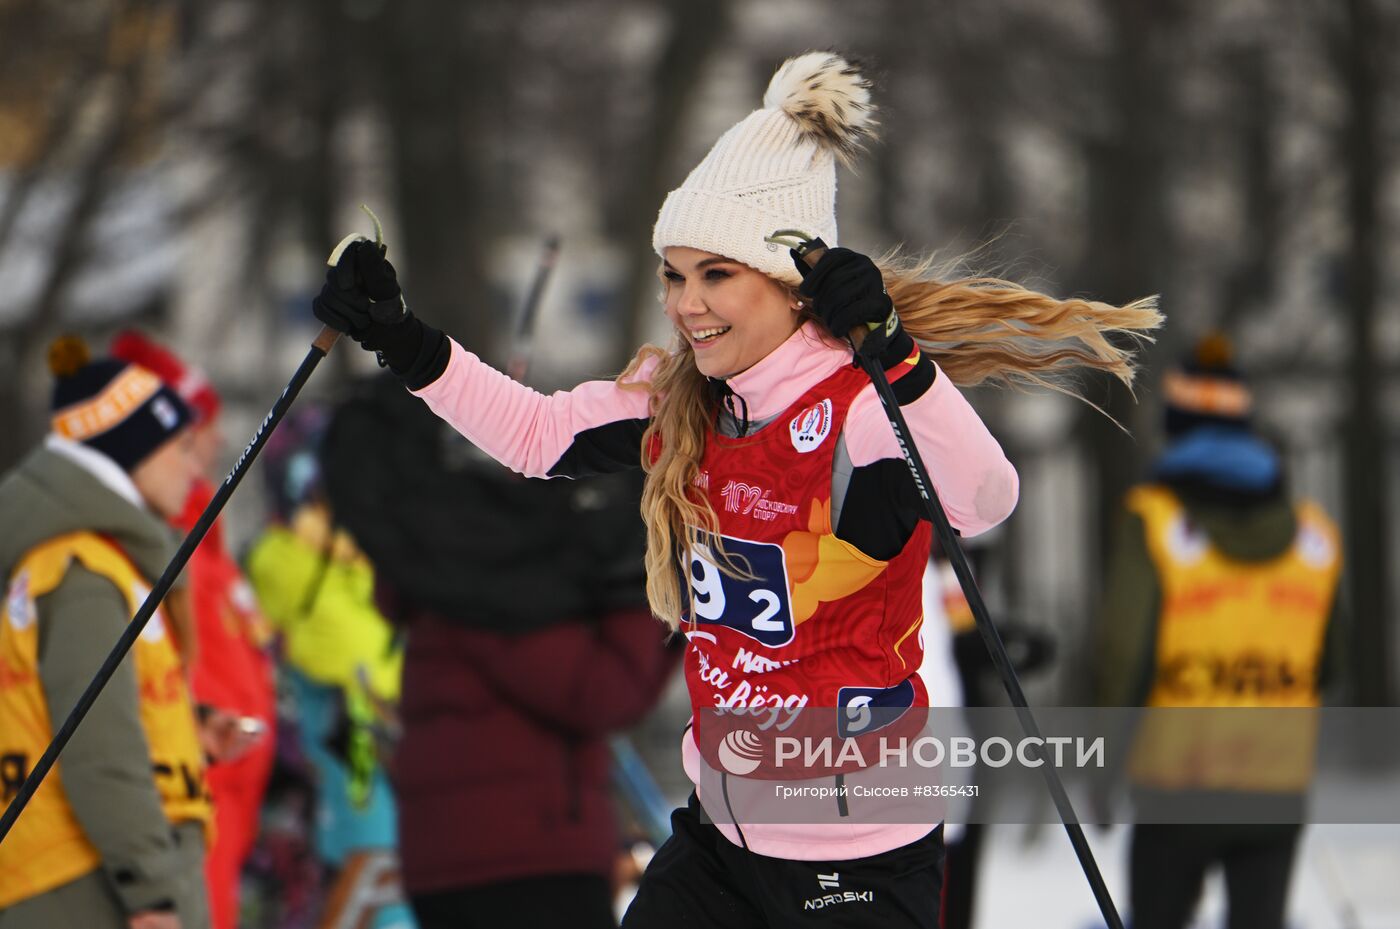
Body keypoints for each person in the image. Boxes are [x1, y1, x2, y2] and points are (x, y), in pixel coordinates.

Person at [312, 51, 1161, 929]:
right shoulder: (682, 404)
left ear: (791, 288)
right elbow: (535, 435)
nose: (687, 304)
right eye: (675, 275)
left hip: (857, 853)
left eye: (717, 274)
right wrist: (403, 340)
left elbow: (985, 498)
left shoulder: (855, 405)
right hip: (723, 842)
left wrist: (900, 359)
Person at [319, 373, 681, 929]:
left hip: (449, 860)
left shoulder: (441, 573)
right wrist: (647, 593)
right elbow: (606, 692)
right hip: (529, 858)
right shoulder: (499, 591)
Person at [1095, 333, 1345, 929]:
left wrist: (1102, 769)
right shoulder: (1313, 537)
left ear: (1175, 426)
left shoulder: (1154, 523)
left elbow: (1124, 656)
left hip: (1177, 786)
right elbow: (1332, 663)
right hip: (1276, 787)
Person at [0, 337, 212, 929]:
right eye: (183, 447)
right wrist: (152, 893)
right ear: (132, 451)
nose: (195, 471)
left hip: (83, 881)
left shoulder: (94, 564)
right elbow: (97, 746)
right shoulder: (84, 574)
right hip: (84, 890)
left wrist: (194, 736)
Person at [110, 331, 278, 929]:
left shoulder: (203, 532)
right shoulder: (155, 538)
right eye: (199, 427)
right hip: (191, 789)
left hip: (229, 792)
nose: (216, 439)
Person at [244, 408, 417, 929]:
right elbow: (350, 650)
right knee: (369, 876)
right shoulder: (286, 559)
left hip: (373, 751)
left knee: (390, 878)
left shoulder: (354, 559)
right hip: (335, 760)